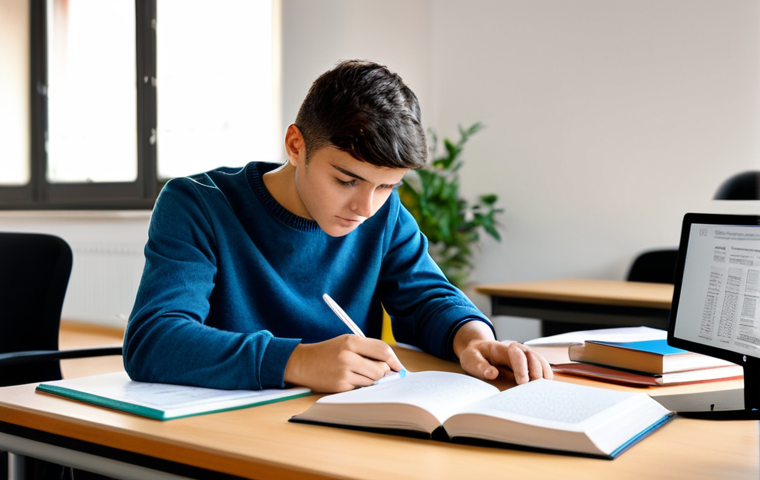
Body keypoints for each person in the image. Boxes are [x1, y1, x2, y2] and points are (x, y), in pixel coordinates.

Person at [123, 59, 552, 393]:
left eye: (387, 186)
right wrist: (298, 361)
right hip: (219, 430)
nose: (366, 207)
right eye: (347, 180)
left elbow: (427, 298)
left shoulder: (383, 212)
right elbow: (154, 340)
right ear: (296, 146)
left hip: (340, 425)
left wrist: (471, 337)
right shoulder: (198, 204)